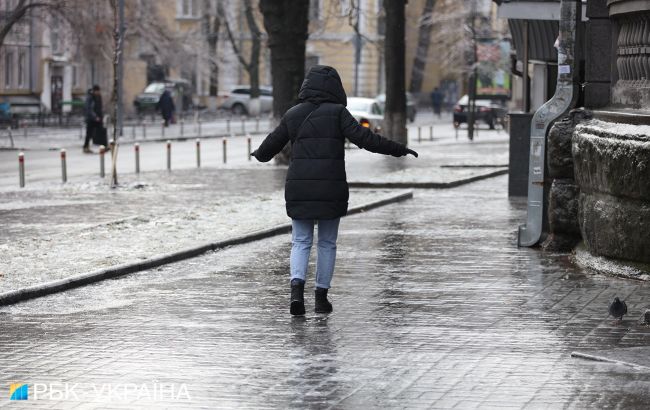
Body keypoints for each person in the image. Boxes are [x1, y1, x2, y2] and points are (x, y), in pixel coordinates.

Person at [251, 65, 418, 316]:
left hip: (299, 188)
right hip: (331, 187)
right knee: (327, 243)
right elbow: (367, 140)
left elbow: (267, 150)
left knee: (300, 241)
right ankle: (321, 299)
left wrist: (258, 153)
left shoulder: (293, 114)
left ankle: (296, 294)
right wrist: (399, 148)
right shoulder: (338, 113)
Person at [83, 85, 104, 153]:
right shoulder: (90, 97)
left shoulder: (97, 96)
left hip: (97, 118)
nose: (98, 92)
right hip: (91, 118)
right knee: (89, 133)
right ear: (95, 91)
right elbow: (89, 109)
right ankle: (86, 147)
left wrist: (100, 116)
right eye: (97, 91)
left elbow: (99, 107)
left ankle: (103, 146)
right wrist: (95, 117)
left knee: (101, 131)